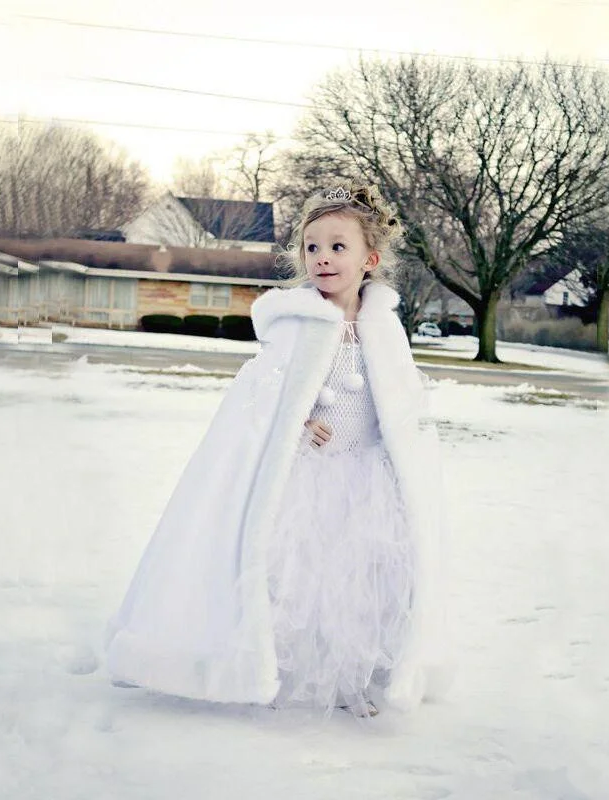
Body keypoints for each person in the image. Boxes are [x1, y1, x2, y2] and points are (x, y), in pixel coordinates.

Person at [105, 182, 448, 718]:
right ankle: (281, 669)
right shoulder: (297, 323)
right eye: (312, 247)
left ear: (370, 259)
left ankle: (353, 676)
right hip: (305, 478)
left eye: (338, 247)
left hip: (367, 480)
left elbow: (400, 397)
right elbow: (262, 392)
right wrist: (299, 418)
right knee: (295, 576)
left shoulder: (385, 327)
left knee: (357, 579)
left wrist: (404, 435)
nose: (323, 259)